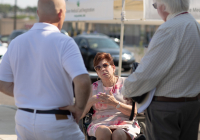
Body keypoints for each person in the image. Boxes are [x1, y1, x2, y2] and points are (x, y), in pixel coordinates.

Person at [0, 0, 91, 139]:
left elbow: (3, 83)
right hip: (57, 120)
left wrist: (30, 94)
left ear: (38, 13)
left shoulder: (16, 42)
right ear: (61, 13)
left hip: (24, 119)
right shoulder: (64, 42)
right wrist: (79, 108)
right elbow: (83, 81)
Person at [122, 0, 200, 140]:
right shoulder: (195, 25)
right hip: (192, 105)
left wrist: (127, 90)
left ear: (163, 5)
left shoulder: (169, 28)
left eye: (155, 4)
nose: (156, 8)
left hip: (167, 110)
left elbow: (147, 73)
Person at [83, 52, 140, 140]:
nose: (102, 69)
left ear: (113, 68)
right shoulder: (93, 88)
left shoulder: (127, 84)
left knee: (118, 135)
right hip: (100, 124)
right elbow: (81, 115)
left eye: (105, 65)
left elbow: (134, 112)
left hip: (124, 124)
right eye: (98, 68)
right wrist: (91, 101)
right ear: (97, 73)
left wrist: (115, 103)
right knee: (104, 132)